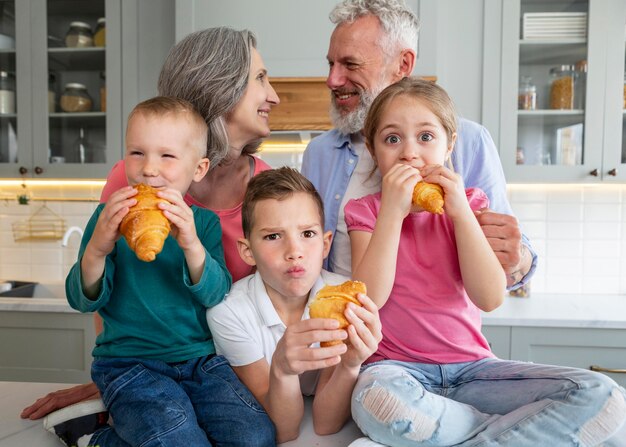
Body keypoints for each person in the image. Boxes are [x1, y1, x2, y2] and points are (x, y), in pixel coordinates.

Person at [344, 77, 626, 446]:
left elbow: (490, 297)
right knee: (373, 402)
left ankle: (463, 433)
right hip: (397, 372)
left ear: (450, 145)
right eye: (392, 139)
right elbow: (371, 297)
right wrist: (393, 216)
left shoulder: (471, 204)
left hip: (476, 371)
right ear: (373, 148)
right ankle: (500, 426)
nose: (409, 152)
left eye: (426, 137)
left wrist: (460, 211)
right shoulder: (366, 212)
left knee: (605, 397)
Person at [21, 27, 279, 428]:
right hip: (138, 367)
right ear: (219, 87)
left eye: (165, 156)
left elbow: (260, 301)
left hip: (223, 373)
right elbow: (102, 302)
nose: (274, 95)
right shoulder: (128, 184)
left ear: (198, 167)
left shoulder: (265, 193)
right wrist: (118, 388)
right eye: (260, 79)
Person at [59, 96, 275, 447]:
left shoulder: (201, 224)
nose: (149, 169)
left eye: (167, 156)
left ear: (199, 169)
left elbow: (216, 293)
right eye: (137, 153)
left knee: (255, 436)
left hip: (200, 363)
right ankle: (100, 441)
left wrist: (191, 244)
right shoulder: (106, 220)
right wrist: (98, 248)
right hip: (129, 365)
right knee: (178, 441)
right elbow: (81, 299)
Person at [301, 0, 537, 290]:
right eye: (331, 64)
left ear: (403, 64)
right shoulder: (319, 153)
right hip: (351, 331)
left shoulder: (469, 142)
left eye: (350, 64)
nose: (332, 80)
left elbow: (506, 265)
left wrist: (518, 258)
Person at [206, 167, 382, 443]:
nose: (294, 252)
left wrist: (351, 364)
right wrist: (282, 369)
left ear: (326, 245)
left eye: (308, 234)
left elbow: (326, 423)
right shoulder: (228, 313)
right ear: (247, 251)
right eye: (273, 236)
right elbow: (284, 430)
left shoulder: (343, 299)